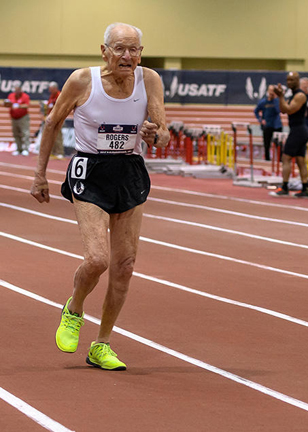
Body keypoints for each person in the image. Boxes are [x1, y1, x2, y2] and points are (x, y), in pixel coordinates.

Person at [29, 22, 169, 371]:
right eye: (120, 48)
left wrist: (156, 133)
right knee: (97, 259)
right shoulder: (82, 80)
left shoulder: (149, 79)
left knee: (125, 266)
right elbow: (52, 123)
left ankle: (101, 344)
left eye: (135, 49)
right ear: (103, 50)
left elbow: (162, 133)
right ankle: (74, 308)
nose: (128, 56)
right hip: (90, 172)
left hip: (129, 172)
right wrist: (40, 175)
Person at [271, 71, 308, 198]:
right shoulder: (292, 95)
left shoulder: (299, 96)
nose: (289, 82)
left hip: (299, 130)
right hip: (298, 130)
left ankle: (285, 187)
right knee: (300, 160)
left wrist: (281, 97)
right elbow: (282, 110)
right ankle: (304, 189)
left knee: (286, 158)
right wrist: (281, 97)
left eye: (292, 80)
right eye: (288, 80)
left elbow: (289, 110)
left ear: (297, 81)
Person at [253, 85, 282, 161]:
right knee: (267, 144)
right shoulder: (263, 102)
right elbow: (256, 111)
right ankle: (267, 159)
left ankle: (280, 160)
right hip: (267, 126)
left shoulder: (277, 101)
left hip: (277, 126)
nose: (271, 92)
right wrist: (260, 120)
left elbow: (279, 111)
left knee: (279, 145)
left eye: (273, 91)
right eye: (270, 90)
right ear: (268, 91)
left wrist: (275, 99)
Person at [4, 83, 31, 156]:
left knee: (25, 133)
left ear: (20, 90)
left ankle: (26, 149)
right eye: (15, 90)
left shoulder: (25, 96)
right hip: (14, 117)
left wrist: (18, 106)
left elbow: (27, 105)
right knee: (16, 134)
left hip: (23, 117)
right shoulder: (11, 96)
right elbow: (7, 104)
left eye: (18, 90)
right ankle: (19, 149)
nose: (17, 92)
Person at [46, 82, 64, 158]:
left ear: (55, 88)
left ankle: (60, 152)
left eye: (51, 89)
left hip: (58, 117)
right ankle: (52, 152)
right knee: (51, 136)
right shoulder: (51, 96)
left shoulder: (59, 95)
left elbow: (61, 106)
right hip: (51, 118)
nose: (50, 91)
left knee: (58, 135)